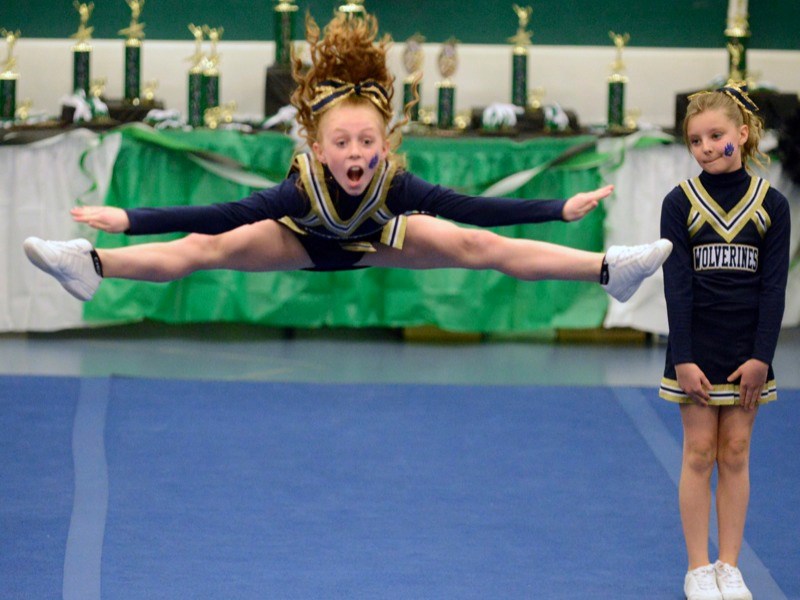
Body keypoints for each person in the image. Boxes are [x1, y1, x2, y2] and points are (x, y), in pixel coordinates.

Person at [24, 12, 671, 308]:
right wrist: (130, 219)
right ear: (315, 146)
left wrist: (559, 207)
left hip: (378, 239)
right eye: (343, 144)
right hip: (301, 240)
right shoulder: (299, 190)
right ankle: (91, 265)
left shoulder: (393, 183)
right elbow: (221, 212)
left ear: (385, 144)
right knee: (202, 245)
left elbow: (476, 208)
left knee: (476, 244)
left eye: (367, 142)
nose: (356, 152)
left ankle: (608, 270)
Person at [659, 83, 790, 600]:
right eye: (695, 140)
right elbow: (677, 284)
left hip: (747, 352)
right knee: (698, 453)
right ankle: (697, 568)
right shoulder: (680, 202)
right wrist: (683, 357)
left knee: (735, 451)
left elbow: (774, 286)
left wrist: (762, 356)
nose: (707, 147)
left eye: (716, 135)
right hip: (696, 349)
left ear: (743, 133)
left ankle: (728, 566)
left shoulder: (771, 205)